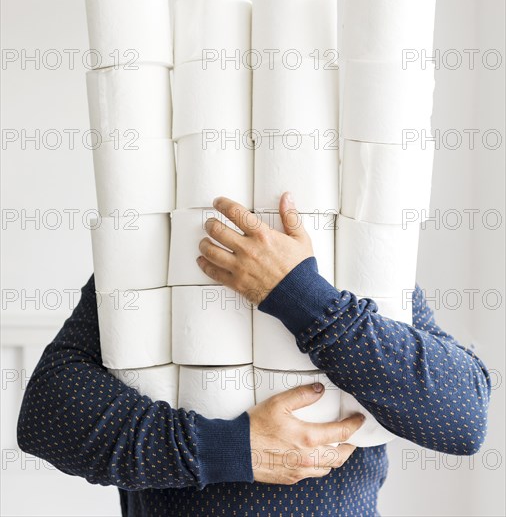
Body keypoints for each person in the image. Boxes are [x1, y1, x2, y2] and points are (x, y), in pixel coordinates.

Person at [18, 193, 491, 516]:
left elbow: (464, 419)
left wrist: (301, 294)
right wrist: (228, 449)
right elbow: (46, 413)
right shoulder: (159, 250)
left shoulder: (360, 261)